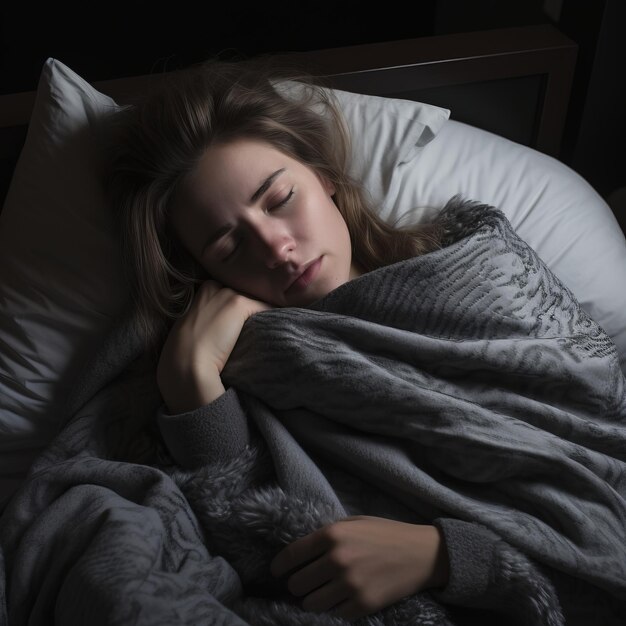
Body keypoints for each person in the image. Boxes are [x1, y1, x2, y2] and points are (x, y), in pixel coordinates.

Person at [102, 56, 527, 624]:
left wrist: (447, 555)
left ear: (323, 174)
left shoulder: (480, 270)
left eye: (280, 200)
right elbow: (249, 539)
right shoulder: (244, 377)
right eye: (229, 248)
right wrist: (193, 384)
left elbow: (595, 473)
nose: (276, 247)